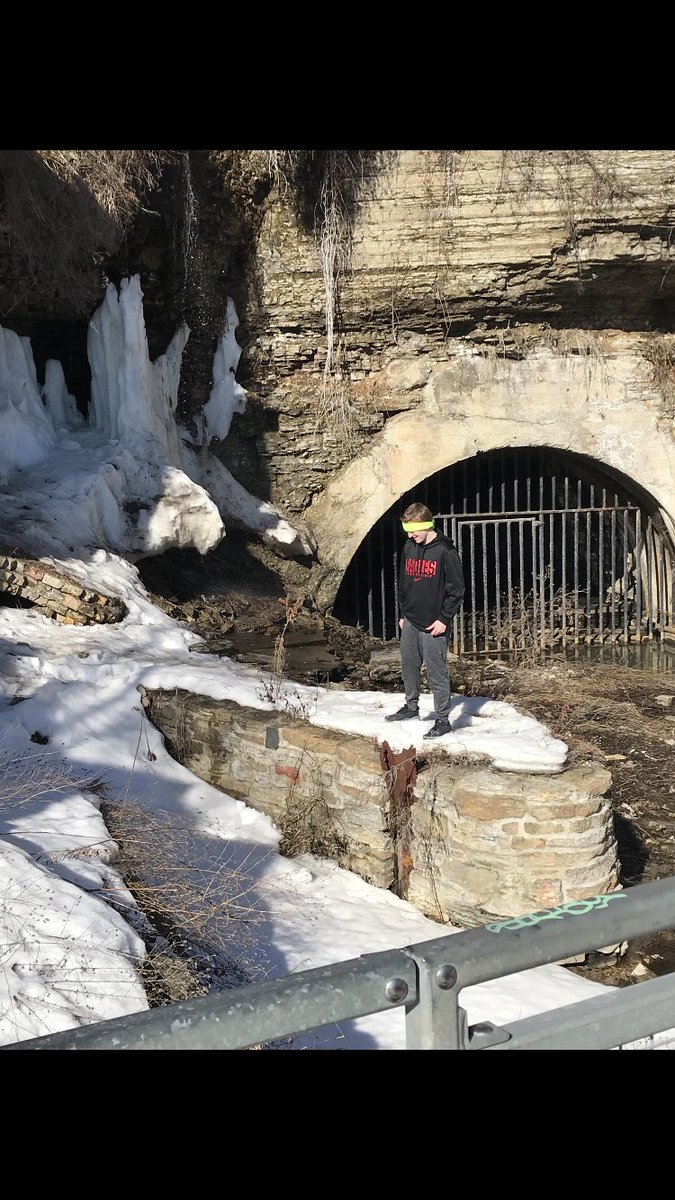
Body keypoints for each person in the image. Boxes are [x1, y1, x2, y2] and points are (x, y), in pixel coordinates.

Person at [385, 502, 465, 738]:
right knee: (409, 666)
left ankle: (442, 720)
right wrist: (402, 613)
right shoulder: (409, 547)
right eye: (407, 532)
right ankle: (411, 707)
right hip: (410, 620)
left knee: (436, 672)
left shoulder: (446, 552)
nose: (411, 536)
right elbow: (403, 582)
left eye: (414, 531)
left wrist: (444, 619)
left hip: (434, 625)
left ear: (427, 525)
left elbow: (457, 590)